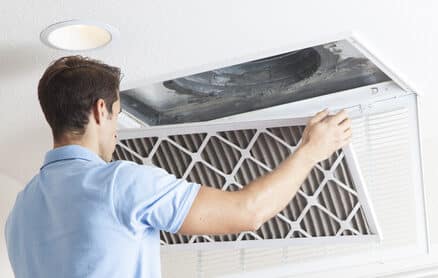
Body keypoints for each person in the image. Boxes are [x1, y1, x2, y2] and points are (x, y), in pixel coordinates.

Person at [5, 56, 352, 278]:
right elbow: (248, 212)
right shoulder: (119, 183)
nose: (116, 132)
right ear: (101, 110)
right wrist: (310, 151)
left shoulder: (20, 213)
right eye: (117, 114)